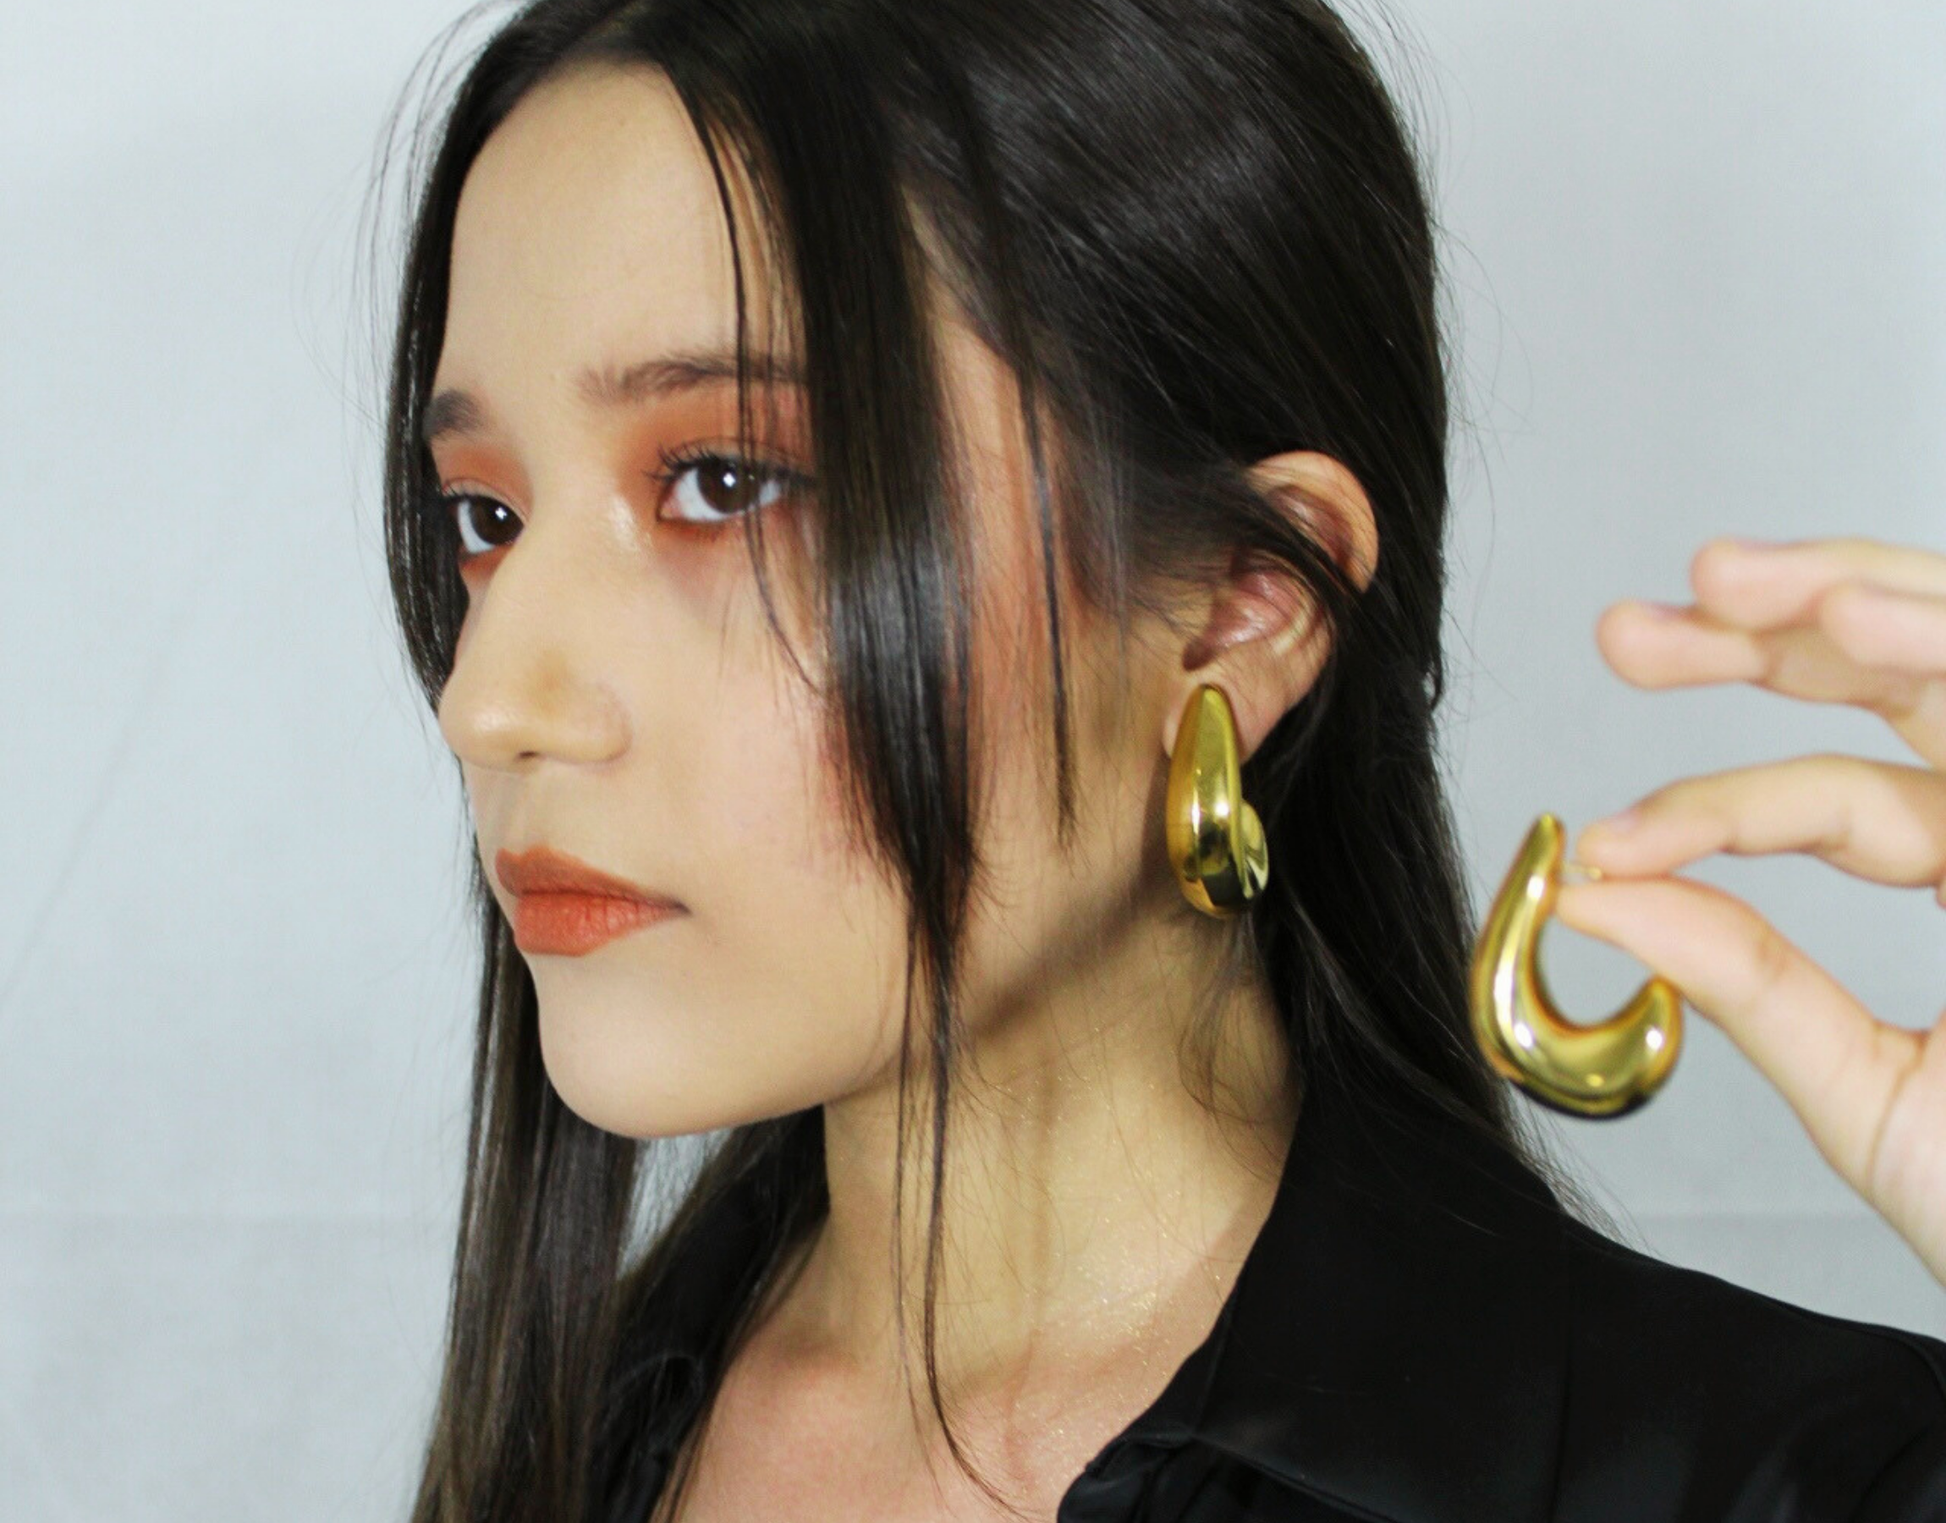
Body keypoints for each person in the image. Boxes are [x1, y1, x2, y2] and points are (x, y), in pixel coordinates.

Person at [376, 0, 1946, 1518]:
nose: (489, 698)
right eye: (484, 516)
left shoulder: (1789, 1480)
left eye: (723, 483)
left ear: (1236, 608)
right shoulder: (585, 1430)